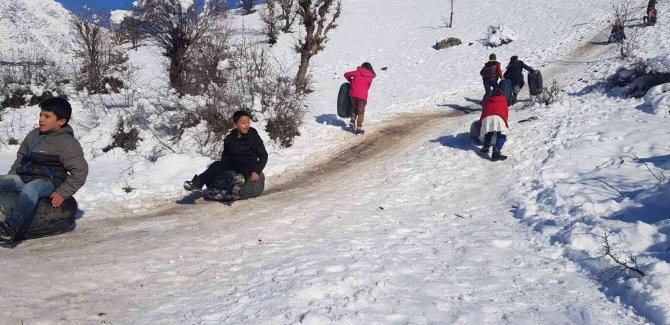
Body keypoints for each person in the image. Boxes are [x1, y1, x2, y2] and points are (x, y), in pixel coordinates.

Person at [0, 98, 88, 241]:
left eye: (47, 116)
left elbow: (80, 171)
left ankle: (12, 225)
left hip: (49, 181)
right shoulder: (34, 135)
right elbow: (21, 158)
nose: (41, 119)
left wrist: (62, 192)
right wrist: (11, 179)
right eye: (40, 115)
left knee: (31, 189)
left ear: (61, 121)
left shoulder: (68, 143)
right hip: (25, 176)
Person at [184, 110, 268, 201]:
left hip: (248, 162)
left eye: (248, 122)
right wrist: (221, 169)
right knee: (216, 165)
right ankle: (197, 184)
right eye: (243, 123)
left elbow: (264, 155)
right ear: (235, 125)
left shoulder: (253, 136)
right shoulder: (229, 138)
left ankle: (238, 185)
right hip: (233, 162)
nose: (247, 125)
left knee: (245, 167)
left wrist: (257, 171)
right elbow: (225, 156)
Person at [344, 62, 376, 135]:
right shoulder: (370, 75)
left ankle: (352, 121)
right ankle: (358, 129)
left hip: (353, 93)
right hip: (362, 95)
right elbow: (368, 87)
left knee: (355, 108)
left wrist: (351, 82)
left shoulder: (357, 71)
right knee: (361, 112)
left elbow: (346, 74)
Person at [478, 88, 509, 161]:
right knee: (501, 135)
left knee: (489, 132)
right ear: (501, 93)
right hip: (499, 118)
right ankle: (496, 153)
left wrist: (480, 123)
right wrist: (505, 124)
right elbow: (505, 112)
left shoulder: (487, 100)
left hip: (486, 119)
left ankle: (486, 147)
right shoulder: (503, 100)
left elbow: (484, 112)